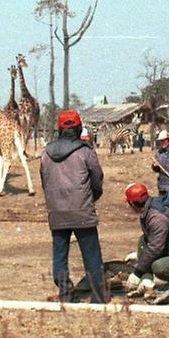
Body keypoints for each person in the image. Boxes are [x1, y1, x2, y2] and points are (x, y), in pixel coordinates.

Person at [40, 110, 107, 302]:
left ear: (59, 129)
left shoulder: (45, 153)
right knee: (91, 256)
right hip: (82, 211)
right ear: (78, 128)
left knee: (59, 256)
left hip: (57, 212)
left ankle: (66, 293)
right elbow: (97, 180)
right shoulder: (85, 152)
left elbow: (44, 182)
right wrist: (90, 198)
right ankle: (98, 297)